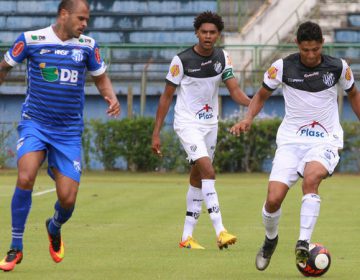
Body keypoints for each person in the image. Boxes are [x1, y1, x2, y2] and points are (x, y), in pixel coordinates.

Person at [0, 0, 120, 271]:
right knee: (25, 175)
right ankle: (15, 247)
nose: (84, 24)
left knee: (67, 198)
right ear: (64, 15)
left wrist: (110, 97)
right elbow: (4, 67)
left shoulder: (88, 46)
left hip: (67, 132)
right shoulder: (31, 40)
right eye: (80, 18)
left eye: (86, 20)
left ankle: (54, 227)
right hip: (36, 124)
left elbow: (101, 77)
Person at [230, 21, 360, 270]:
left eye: (315, 49)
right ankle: (270, 240)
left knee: (311, 179)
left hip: (325, 140)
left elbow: (354, 94)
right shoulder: (282, 67)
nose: (311, 55)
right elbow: (260, 96)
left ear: (322, 44)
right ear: (298, 46)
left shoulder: (338, 67)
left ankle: (303, 243)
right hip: (291, 141)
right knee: (273, 199)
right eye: (305, 50)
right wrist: (248, 118)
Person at [152, 11, 250, 250]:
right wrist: (156, 133)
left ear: (218, 35)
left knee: (197, 177)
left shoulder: (223, 58)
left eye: (212, 32)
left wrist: (254, 103)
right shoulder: (181, 60)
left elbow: (235, 91)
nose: (207, 36)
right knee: (208, 171)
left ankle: (187, 237)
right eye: (204, 32)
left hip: (210, 125)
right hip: (187, 124)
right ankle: (221, 231)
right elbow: (166, 98)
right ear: (197, 33)